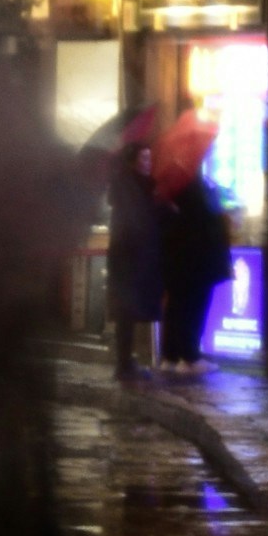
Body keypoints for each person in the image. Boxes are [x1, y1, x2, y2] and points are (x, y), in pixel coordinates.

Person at [154, 114, 232, 369]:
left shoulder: (176, 183)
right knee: (193, 305)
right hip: (195, 258)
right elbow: (203, 216)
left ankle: (172, 355)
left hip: (181, 257)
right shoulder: (191, 183)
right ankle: (190, 356)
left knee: (177, 304)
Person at [104, 111, 163, 383]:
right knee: (126, 312)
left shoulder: (134, 185)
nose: (149, 163)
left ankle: (126, 362)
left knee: (128, 311)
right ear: (133, 161)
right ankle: (124, 363)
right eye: (144, 158)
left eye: (150, 158)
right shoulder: (129, 186)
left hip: (129, 258)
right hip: (129, 258)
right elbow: (135, 221)